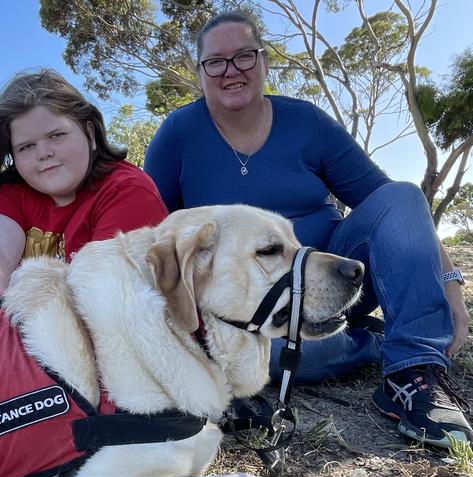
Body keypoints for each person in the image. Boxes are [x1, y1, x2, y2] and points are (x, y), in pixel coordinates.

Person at [144, 11, 471, 448]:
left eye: (244, 56)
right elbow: (153, 229)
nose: (231, 70)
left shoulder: (307, 122)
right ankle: (367, 343)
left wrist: (449, 284)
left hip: (339, 277)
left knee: (404, 192)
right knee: (276, 357)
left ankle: (414, 370)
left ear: (263, 61)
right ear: (200, 73)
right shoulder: (178, 135)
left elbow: (398, 208)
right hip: (255, 307)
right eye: (215, 62)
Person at [0, 69, 167, 304]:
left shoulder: (128, 191)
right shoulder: (11, 192)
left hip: (112, 317)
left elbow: (108, 293)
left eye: (57, 135)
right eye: (26, 146)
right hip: (41, 315)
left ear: (90, 134)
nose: (44, 153)